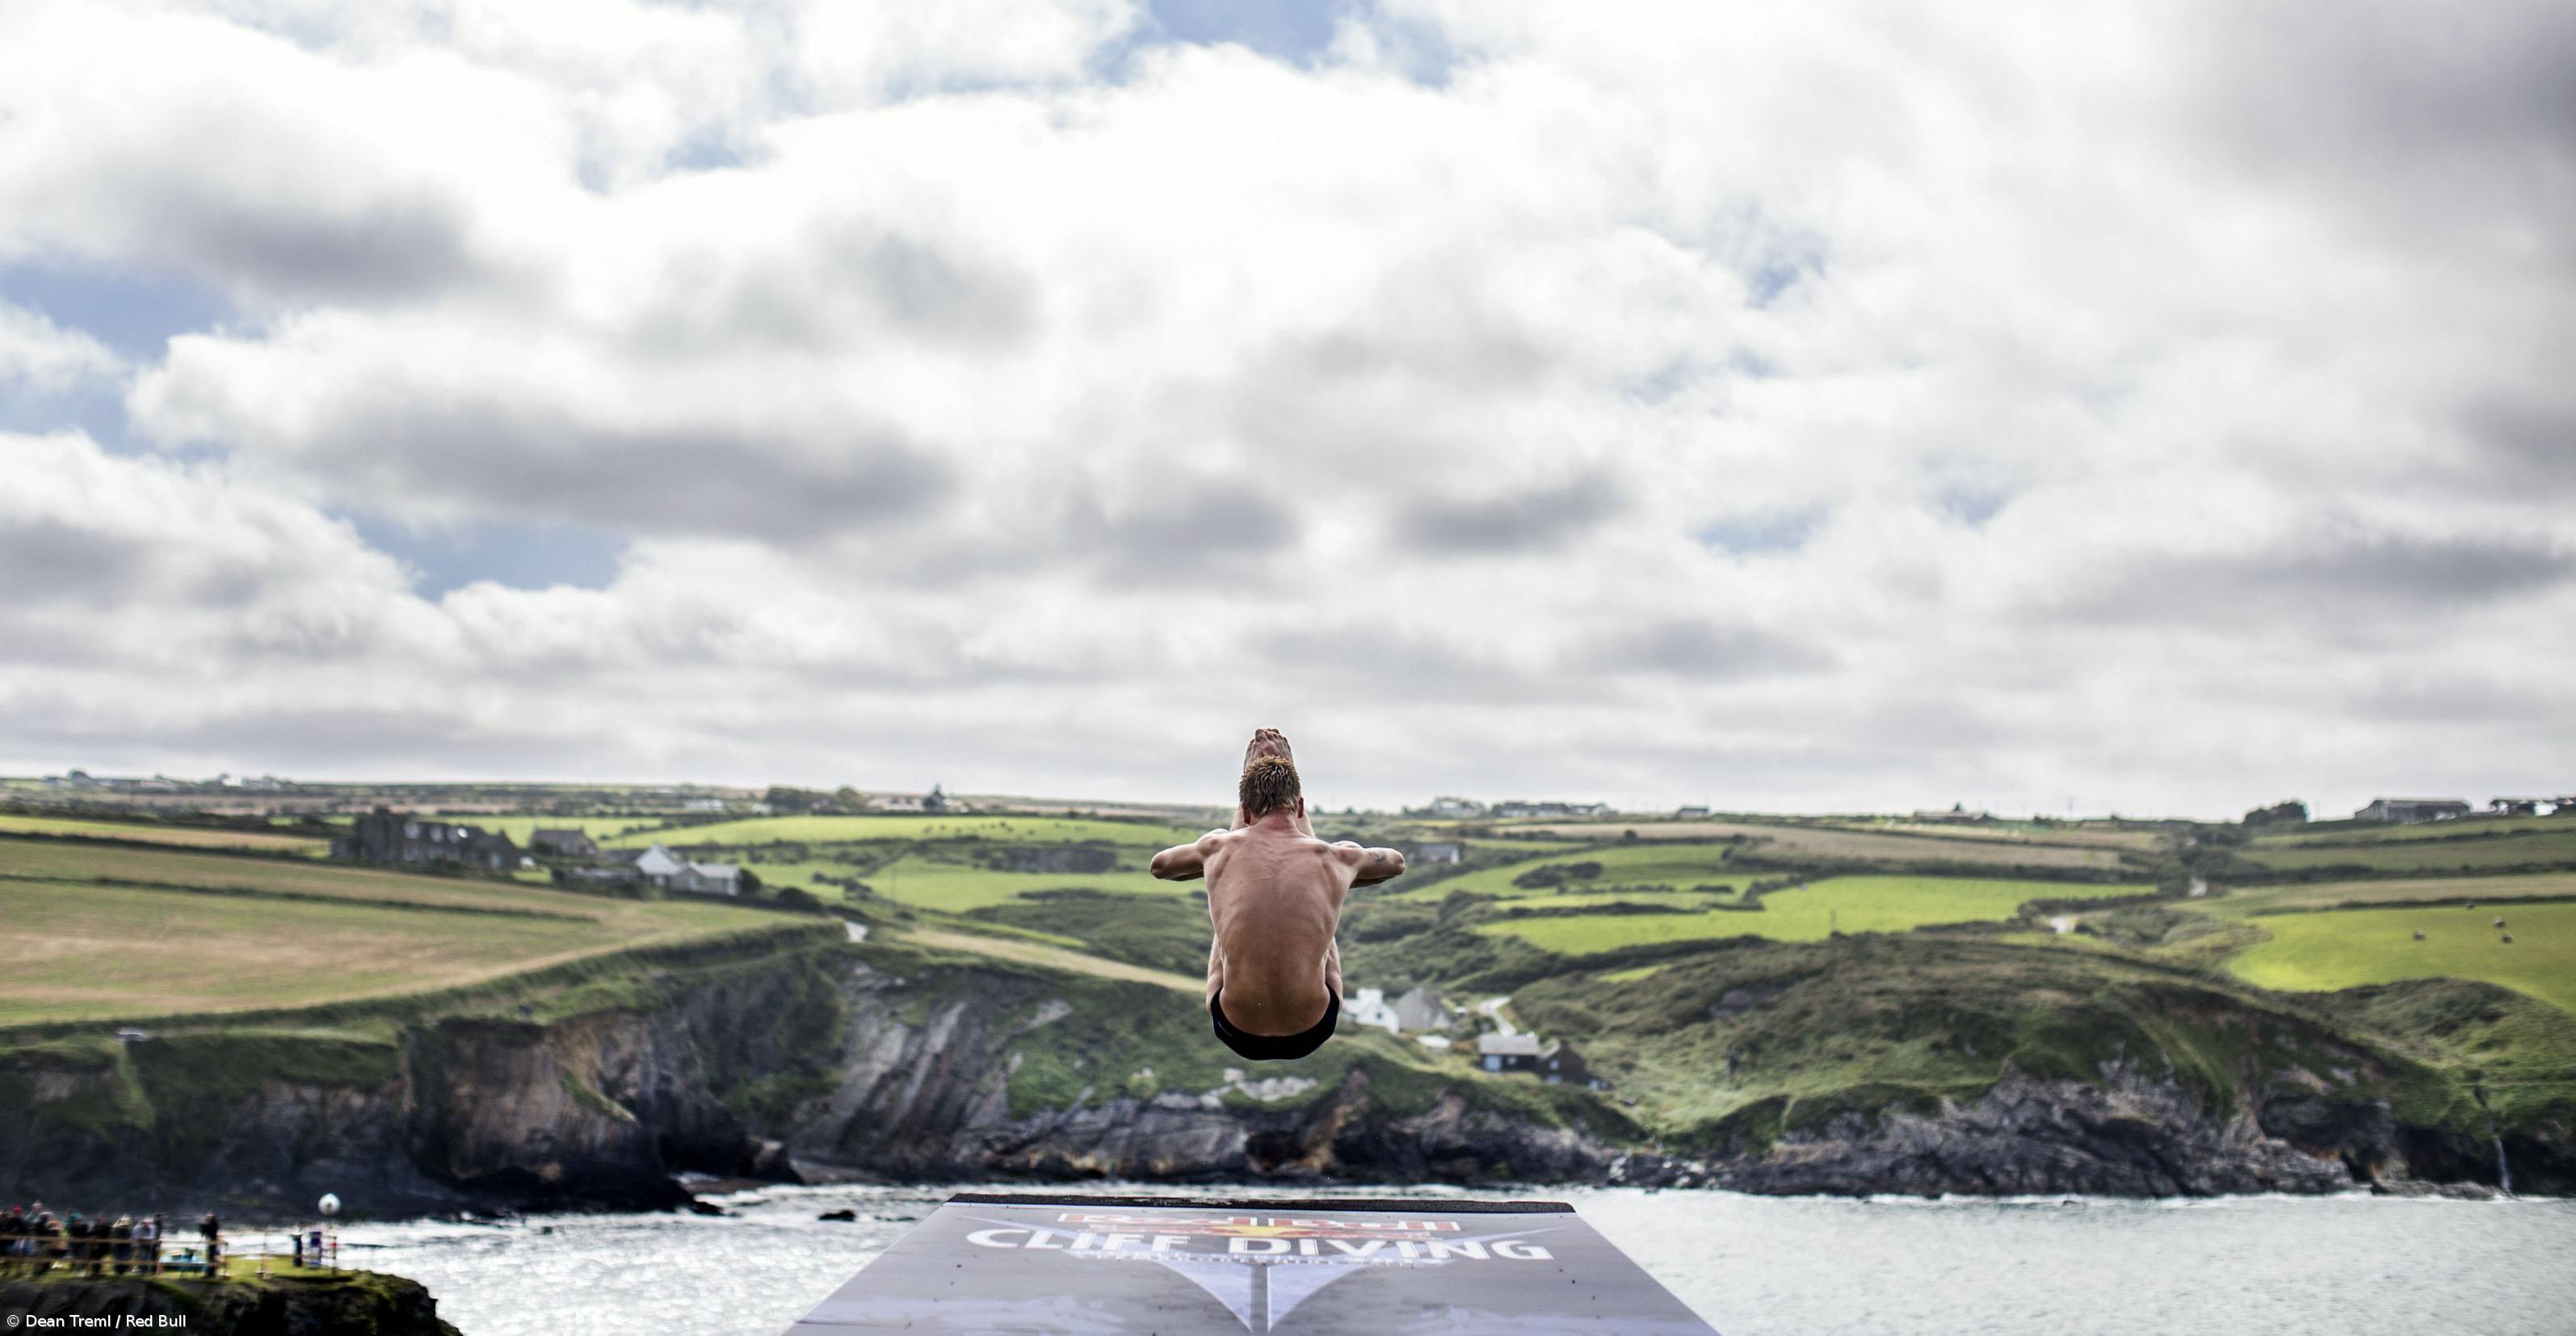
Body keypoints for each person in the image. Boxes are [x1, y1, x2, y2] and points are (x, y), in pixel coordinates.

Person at [1151, 729, 1406, 1061]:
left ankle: (1245, 837)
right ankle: (1325, 876)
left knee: (1225, 887)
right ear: (1300, 807)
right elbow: (1395, 863)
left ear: (1244, 812)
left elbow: (1160, 866)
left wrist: (1219, 851)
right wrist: (1344, 867)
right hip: (1314, 1028)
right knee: (1325, 891)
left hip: (1235, 1028)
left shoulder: (1218, 849)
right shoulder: (1334, 858)